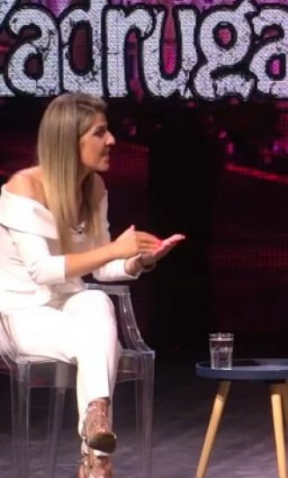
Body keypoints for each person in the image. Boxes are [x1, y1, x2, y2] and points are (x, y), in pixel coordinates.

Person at [0, 93, 184, 478]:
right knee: (98, 342)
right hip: (18, 313)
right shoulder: (22, 189)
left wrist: (139, 260)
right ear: (70, 140)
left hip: (68, 305)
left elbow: (101, 268)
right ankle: (96, 459)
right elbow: (42, 271)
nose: (112, 140)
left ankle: (96, 427)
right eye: (100, 133)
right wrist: (115, 249)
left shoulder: (94, 187)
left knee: (97, 302)